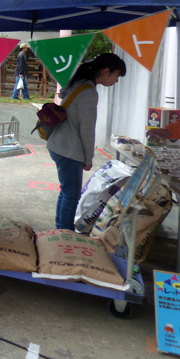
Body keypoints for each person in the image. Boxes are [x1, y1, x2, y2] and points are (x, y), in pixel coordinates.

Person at [47, 53, 126, 230]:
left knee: (67, 191)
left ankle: (60, 230)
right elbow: (87, 129)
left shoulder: (79, 84)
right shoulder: (89, 92)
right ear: (106, 71)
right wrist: (88, 158)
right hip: (69, 148)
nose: (116, 81)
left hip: (59, 143)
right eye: (117, 75)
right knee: (71, 195)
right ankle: (65, 233)